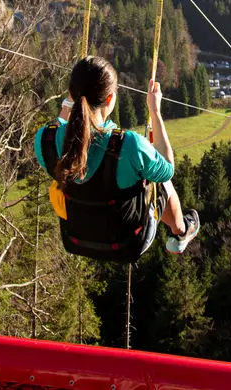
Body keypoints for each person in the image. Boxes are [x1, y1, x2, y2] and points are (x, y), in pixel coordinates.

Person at [34, 55, 200, 261]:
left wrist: (68, 107)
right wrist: (155, 111)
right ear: (110, 99)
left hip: (76, 238)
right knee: (162, 181)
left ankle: (180, 231)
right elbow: (167, 168)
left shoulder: (45, 140)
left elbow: (67, 134)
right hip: (129, 242)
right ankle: (181, 232)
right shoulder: (128, 145)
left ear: (70, 94)